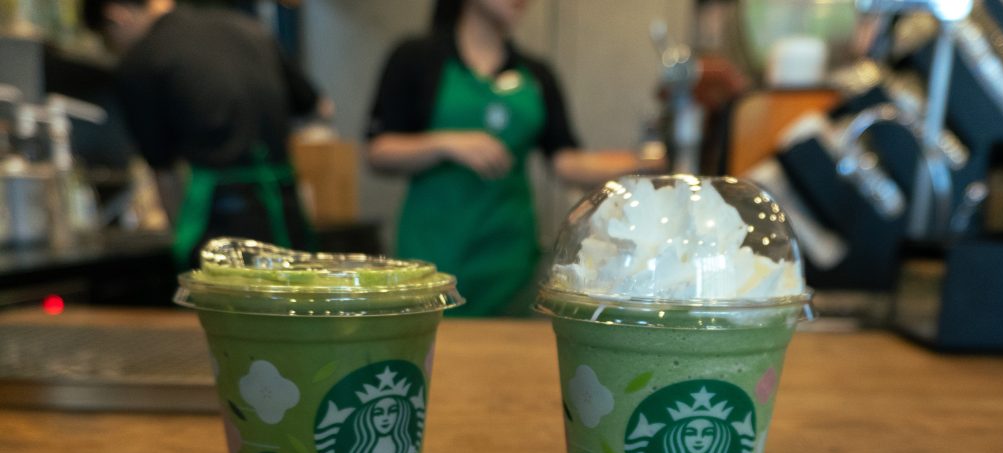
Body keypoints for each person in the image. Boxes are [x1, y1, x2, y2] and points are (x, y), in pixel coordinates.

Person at [365, 0, 663, 316]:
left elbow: (565, 162)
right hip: (431, 255)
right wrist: (445, 144)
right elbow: (378, 151)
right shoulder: (416, 58)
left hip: (509, 262)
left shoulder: (537, 75)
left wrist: (649, 161)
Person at [83, 0, 330, 268]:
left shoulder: (141, 60)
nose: (116, 48)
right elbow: (321, 108)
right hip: (287, 212)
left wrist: (180, 233)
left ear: (116, 15)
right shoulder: (248, 29)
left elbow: (163, 172)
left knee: (230, 307)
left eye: (108, 40)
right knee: (293, 301)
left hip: (222, 224)